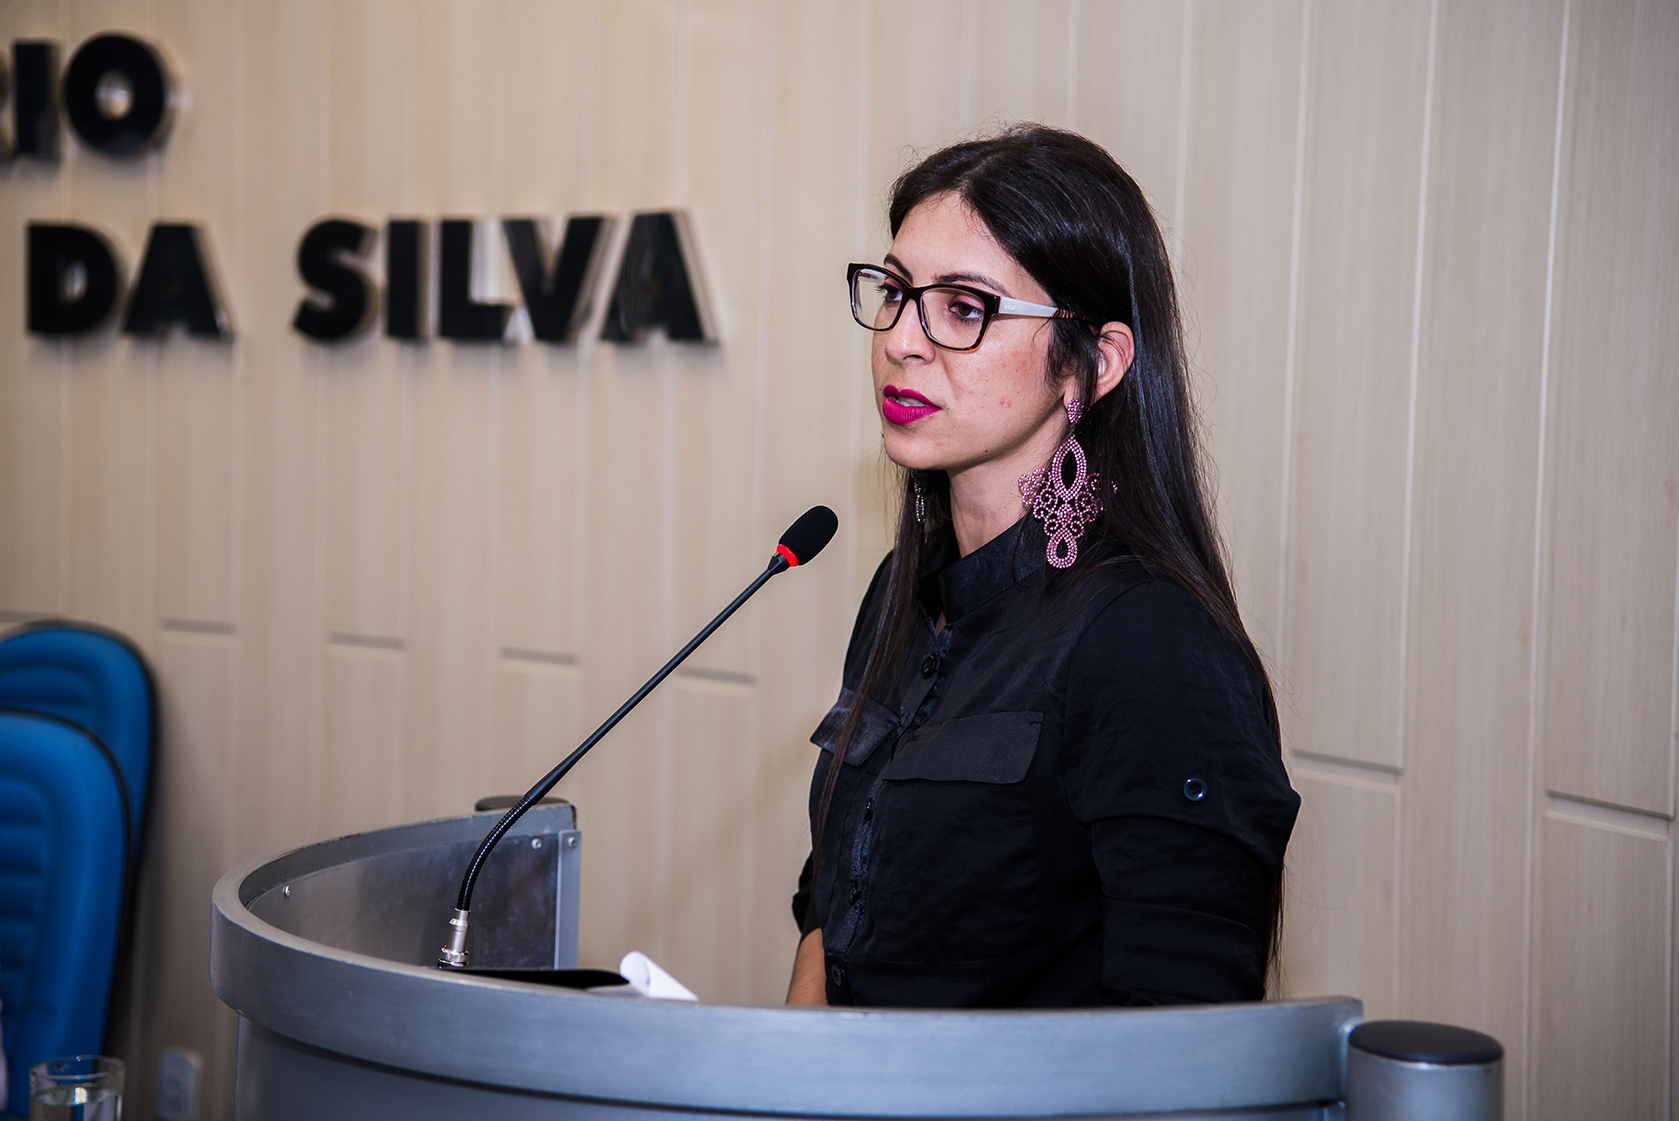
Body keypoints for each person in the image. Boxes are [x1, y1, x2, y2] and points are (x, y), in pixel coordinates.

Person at [786, 125, 1299, 1009]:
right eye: (896, 292)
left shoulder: (1149, 639)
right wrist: (788, 1073)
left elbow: (1184, 1035)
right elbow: (826, 910)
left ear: (1092, 364)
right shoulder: (900, 594)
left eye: (963, 308)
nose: (902, 340)